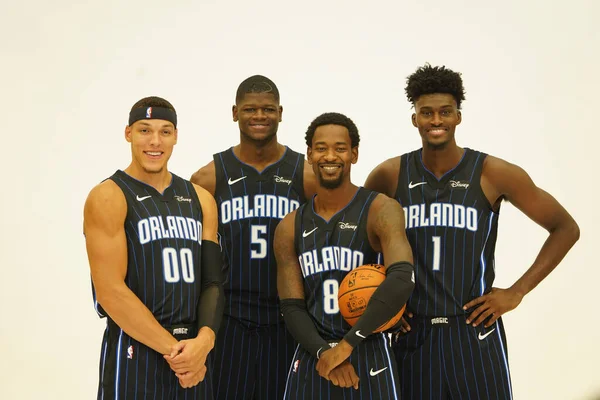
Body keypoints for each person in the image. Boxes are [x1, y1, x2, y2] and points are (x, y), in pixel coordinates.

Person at [364, 64, 580, 399]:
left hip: (474, 330)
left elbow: (565, 228)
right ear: (414, 119)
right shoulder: (389, 175)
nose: (436, 121)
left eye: (445, 112)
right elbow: (364, 245)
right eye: (427, 113)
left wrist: (517, 291)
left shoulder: (493, 172)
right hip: (413, 334)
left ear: (458, 116)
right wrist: (384, 304)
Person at [84, 96, 224, 399]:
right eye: (145, 130)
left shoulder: (201, 199)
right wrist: (177, 354)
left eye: (164, 131)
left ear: (175, 136)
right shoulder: (109, 196)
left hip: (194, 353)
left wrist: (205, 341)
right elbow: (110, 291)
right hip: (137, 351)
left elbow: (212, 282)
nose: (155, 141)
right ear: (128, 133)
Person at [190, 75, 316, 400]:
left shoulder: (306, 174)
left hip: (287, 318)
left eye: (268, 109)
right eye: (250, 109)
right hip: (229, 318)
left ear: (281, 112)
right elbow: (193, 257)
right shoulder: (208, 177)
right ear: (235, 113)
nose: (259, 116)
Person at [274, 112, 415, 399]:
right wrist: (326, 352)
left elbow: (402, 278)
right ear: (310, 154)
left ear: (354, 154)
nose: (330, 156)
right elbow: (291, 307)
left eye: (340, 148)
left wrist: (346, 346)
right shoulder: (289, 226)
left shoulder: (380, 209)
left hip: (367, 351)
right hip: (313, 353)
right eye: (321, 148)